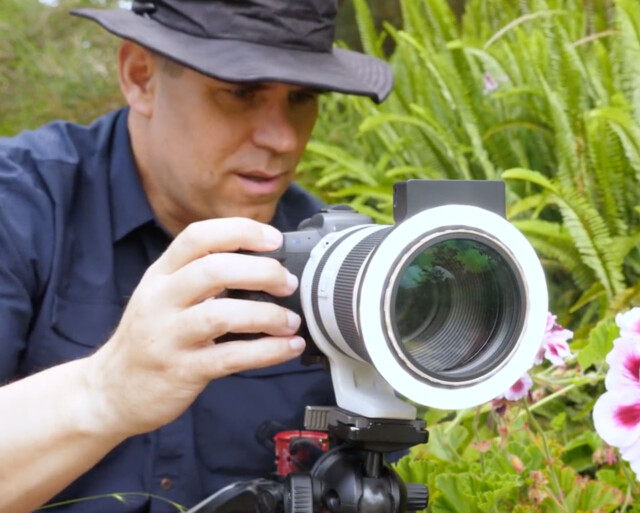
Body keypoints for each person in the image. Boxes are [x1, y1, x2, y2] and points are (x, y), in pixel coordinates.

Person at [0, 1, 393, 512]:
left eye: (302, 97)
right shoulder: (20, 208)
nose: (283, 138)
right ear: (140, 77)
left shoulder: (332, 270)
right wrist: (107, 392)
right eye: (240, 92)